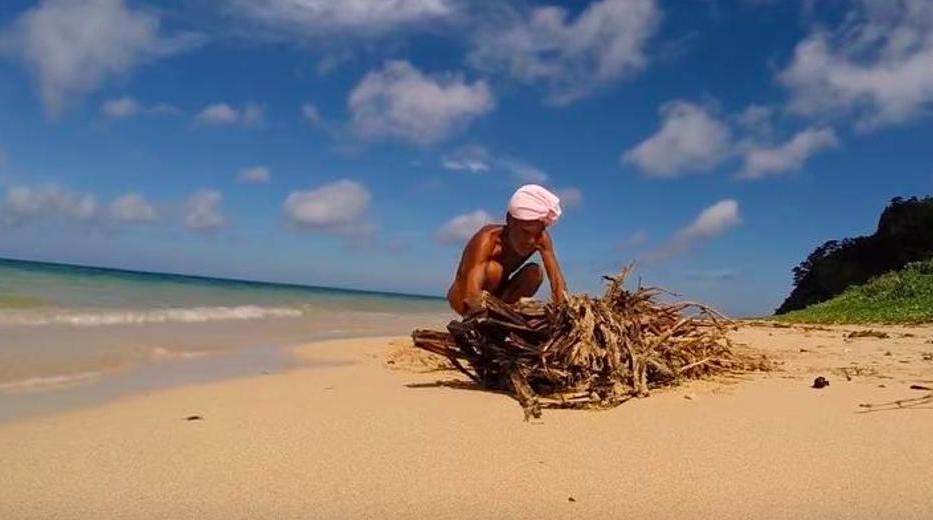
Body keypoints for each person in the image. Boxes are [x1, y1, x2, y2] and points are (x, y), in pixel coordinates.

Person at [446, 184, 568, 315]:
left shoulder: (541, 239)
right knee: (495, 270)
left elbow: (556, 281)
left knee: (535, 273)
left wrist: (564, 313)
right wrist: (477, 315)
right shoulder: (488, 240)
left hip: (498, 297)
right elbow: (471, 289)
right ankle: (487, 318)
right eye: (525, 233)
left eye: (537, 234)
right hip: (462, 296)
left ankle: (500, 316)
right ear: (509, 220)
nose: (531, 241)